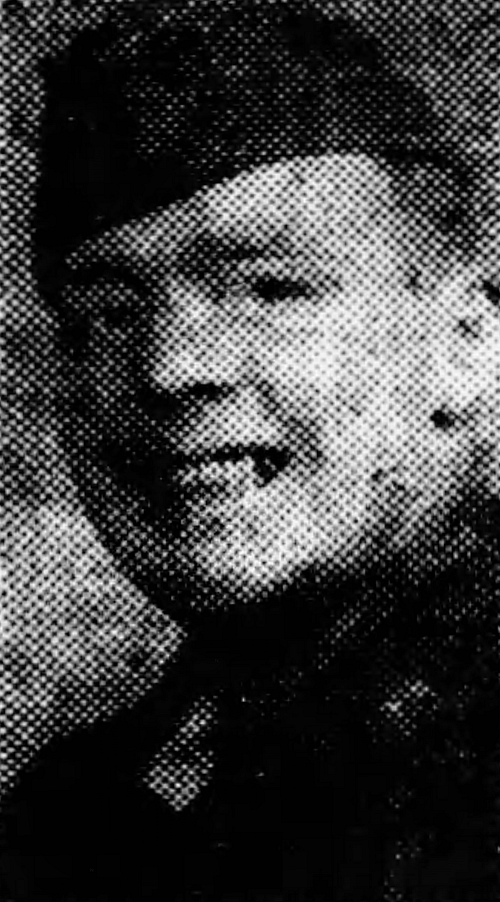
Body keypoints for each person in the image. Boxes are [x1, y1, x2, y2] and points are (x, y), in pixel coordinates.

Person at [1, 1, 498, 899]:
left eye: (268, 291)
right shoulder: (76, 816)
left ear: (466, 343)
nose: (167, 368)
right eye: (107, 316)